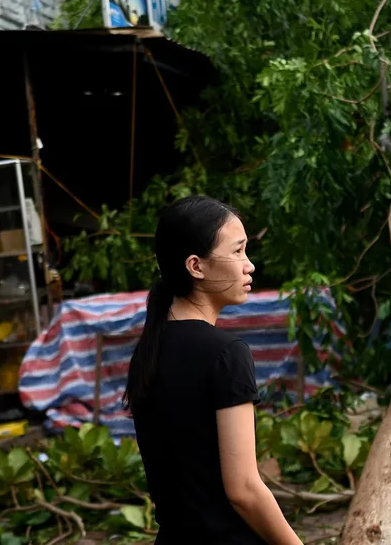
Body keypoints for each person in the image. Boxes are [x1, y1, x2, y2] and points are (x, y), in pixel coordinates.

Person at [126, 196, 303, 545]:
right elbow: (244, 490)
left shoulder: (149, 349)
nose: (248, 265)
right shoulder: (226, 353)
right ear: (196, 266)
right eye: (238, 252)